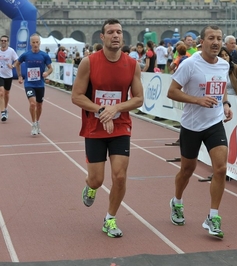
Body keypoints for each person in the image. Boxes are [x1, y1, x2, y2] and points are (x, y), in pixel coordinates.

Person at [71, 18, 144, 238]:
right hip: (95, 126)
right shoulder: (89, 62)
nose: (115, 35)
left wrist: (116, 108)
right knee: (97, 179)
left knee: (119, 176)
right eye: (110, 32)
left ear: (123, 36)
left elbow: (139, 99)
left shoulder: (132, 65)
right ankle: (90, 186)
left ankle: (110, 218)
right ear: (102, 37)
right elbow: (76, 96)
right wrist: (103, 110)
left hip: (120, 126)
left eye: (119, 32)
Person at [167, 25, 232, 239]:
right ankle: (176, 201)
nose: (215, 42)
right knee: (187, 170)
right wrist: (197, 100)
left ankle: (213, 216)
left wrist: (225, 104)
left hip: (214, 123)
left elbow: (221, 88)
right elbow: (172, 92)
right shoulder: (189, 64)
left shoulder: (224, 64)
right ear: (201, 42)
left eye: (219, 38)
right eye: (211, 38)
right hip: (192, 125)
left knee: (221, 169)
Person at [14, 33, 53, 135]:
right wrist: (19, 75)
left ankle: (38, 121)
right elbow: (17, 64)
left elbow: (50, 68)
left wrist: (46, 73)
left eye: (37, 42)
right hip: (29, 84)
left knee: (39, 105)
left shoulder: (44, 55)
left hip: (40, 84)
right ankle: (34, 123)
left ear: (39, 43)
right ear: (30, 43)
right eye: (33, 42)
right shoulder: (26, 55)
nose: (35, 44)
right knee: (32, 103)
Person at [0, 35, 18, 122]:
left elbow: (17, 60)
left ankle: (6, 108)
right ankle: (2, 112)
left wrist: (13, 66)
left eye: (5, 41)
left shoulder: (11, 51)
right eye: (2, 40)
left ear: (7, 42)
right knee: (1, 93)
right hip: (0, 75)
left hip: (8, 75)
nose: (3, 42)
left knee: (6, 93)